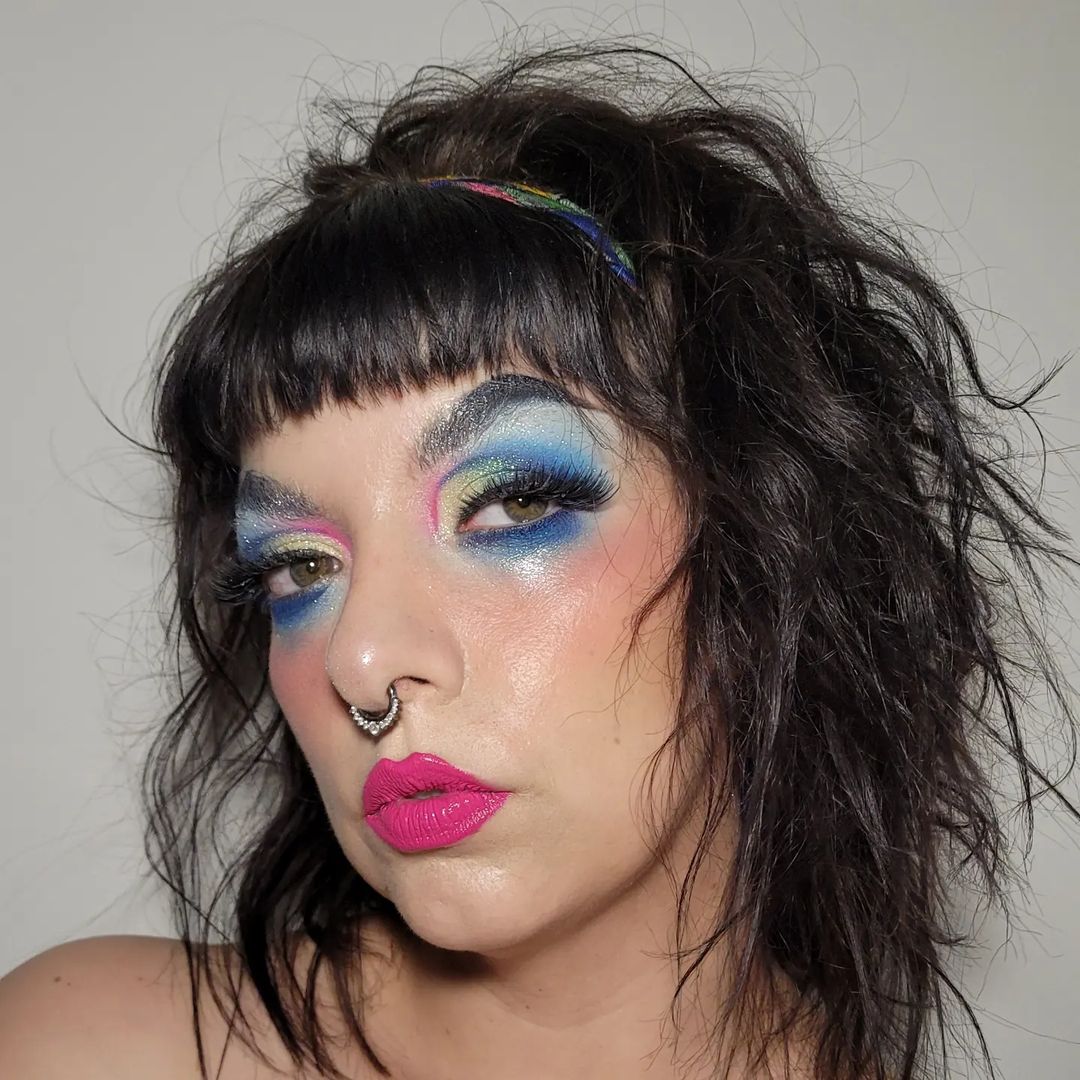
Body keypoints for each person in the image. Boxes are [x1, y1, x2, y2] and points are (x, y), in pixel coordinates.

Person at [0, 39, 1076, 1080]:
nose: (360, 661)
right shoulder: (88, 1053)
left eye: (514, 503)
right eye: (297, 567)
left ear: (768, 547)